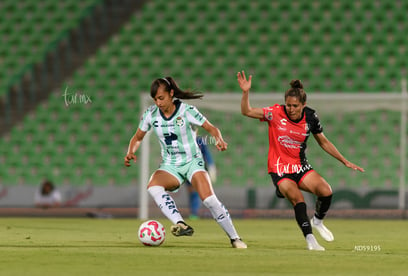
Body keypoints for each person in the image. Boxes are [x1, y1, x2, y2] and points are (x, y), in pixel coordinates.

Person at [237, 71, 364, 251]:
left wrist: (344, 161)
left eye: (295, 105)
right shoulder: (274, 113)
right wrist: (245, 92)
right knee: (298, 199)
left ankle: (318, 221)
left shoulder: (311, 117)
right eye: (288, 105)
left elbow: (323, 142)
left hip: (300, 166)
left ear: (303, 105)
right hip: (279, 168)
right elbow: (246, 111)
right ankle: (310, 240)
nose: (290, 109)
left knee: (326, 191)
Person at [124, 76, 247, 249]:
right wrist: (130, 151)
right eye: (155, 99)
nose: (158, 103)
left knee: (210, 200)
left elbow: (211, 128)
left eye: (161, 98)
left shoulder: (187, 110)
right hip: (170, 165)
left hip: (192, 162)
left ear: (171, 94)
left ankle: (235, 238)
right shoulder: (150, 115)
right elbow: (137, 137)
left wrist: (218, 139)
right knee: (153, 186)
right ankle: (180, 223)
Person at [186, 129, 217, 220]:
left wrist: (211, 168)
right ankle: (193, 212)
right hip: (185, 168)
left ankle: (194, 213)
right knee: (192, 192)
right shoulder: (182, 140)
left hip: (196, 168)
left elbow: (207, 155)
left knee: (194, 192)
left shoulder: (199, 141)